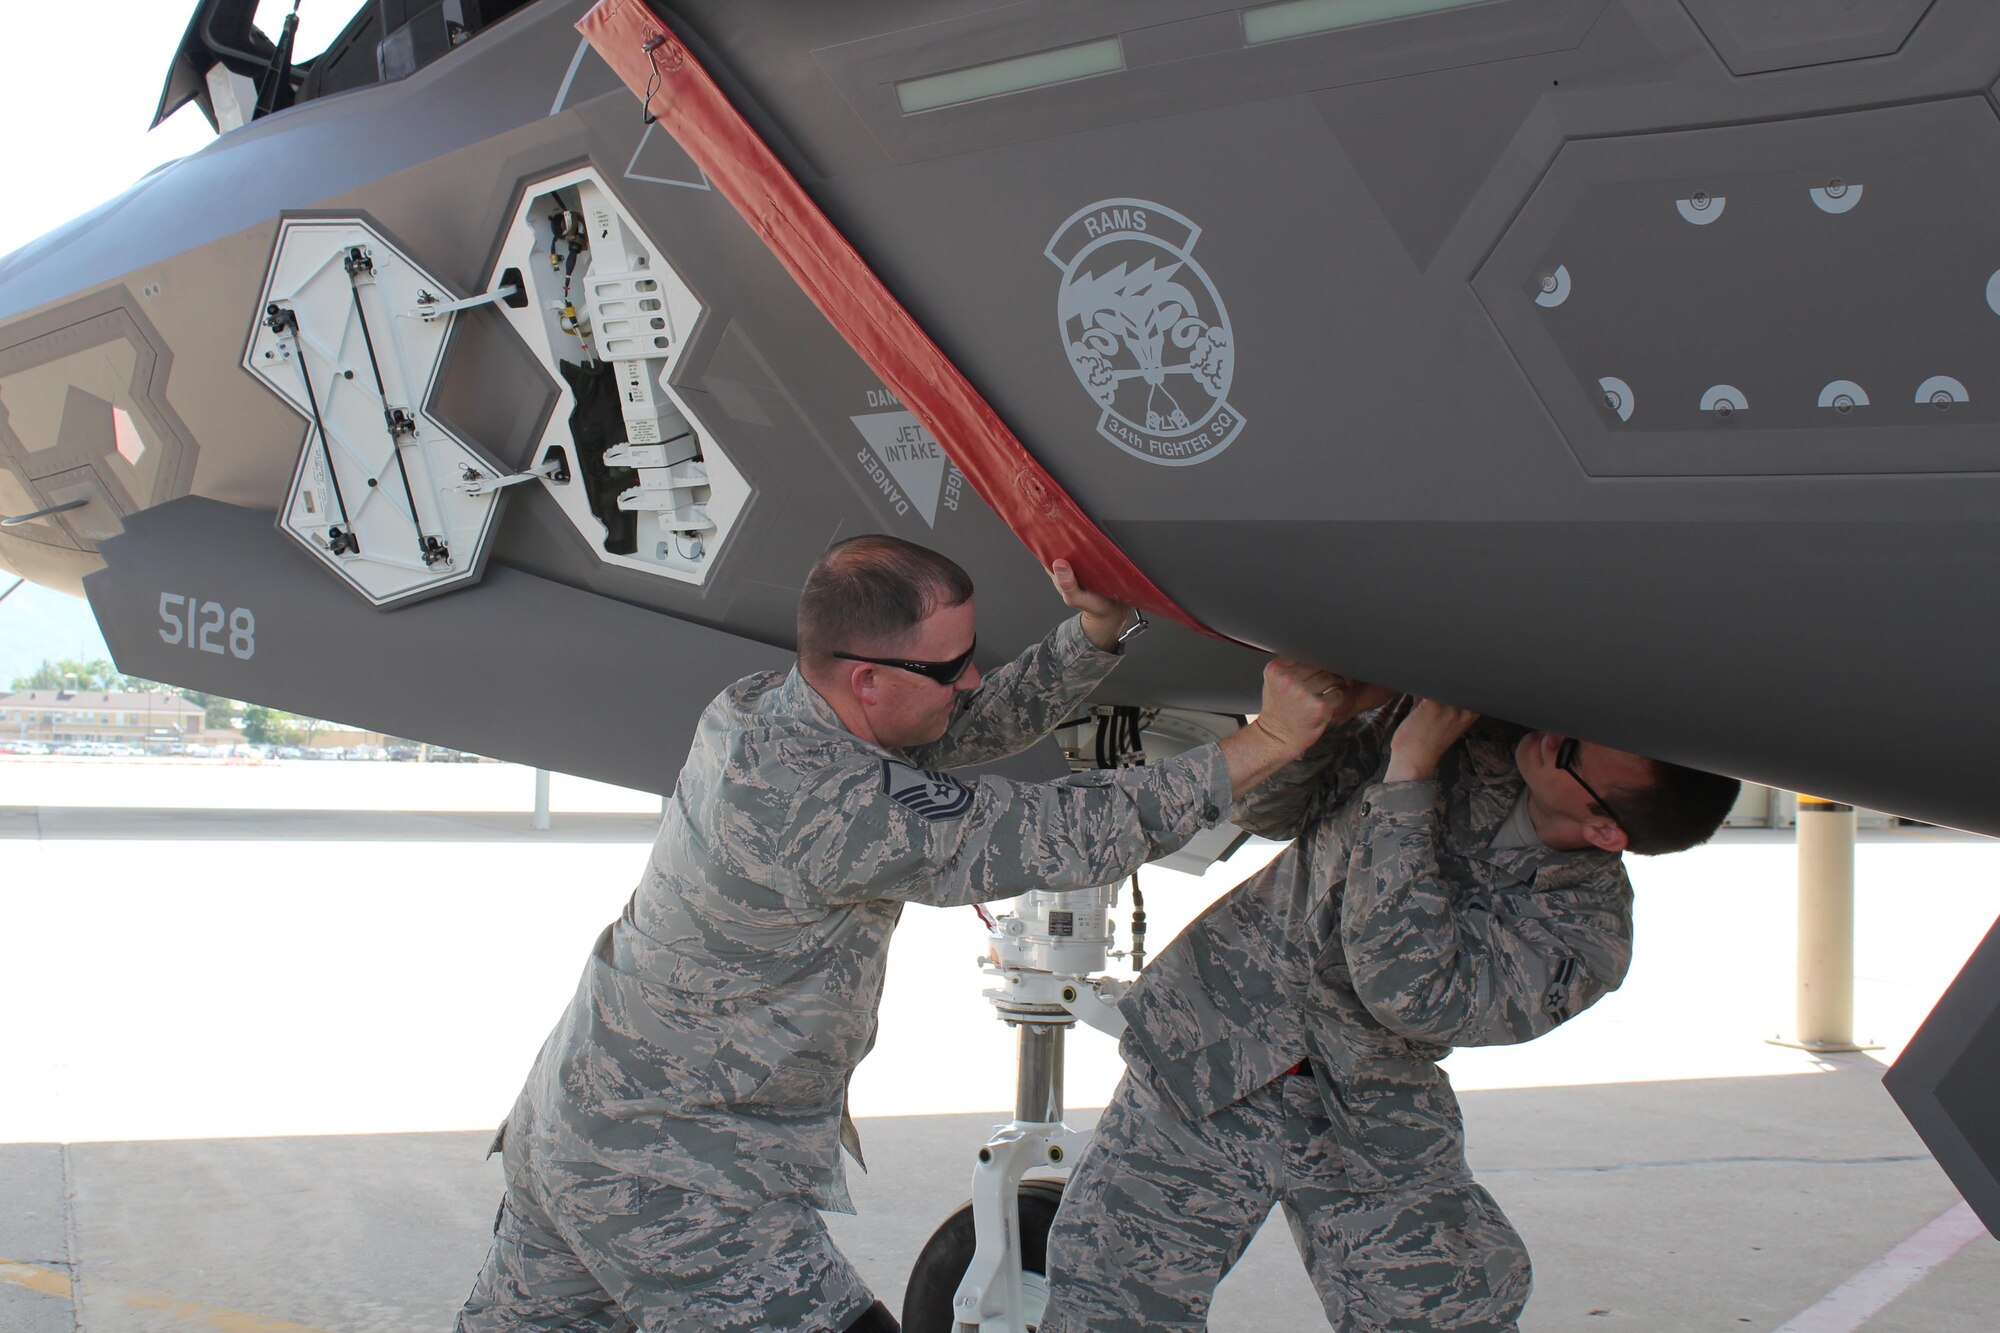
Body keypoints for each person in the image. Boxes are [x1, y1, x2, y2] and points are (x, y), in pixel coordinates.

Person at [456, 536, 1348, 1333]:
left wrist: (1094, 637)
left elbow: (965, 723)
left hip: (578, 1120)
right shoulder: (831, 804)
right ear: (868, 680)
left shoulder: (766, 704)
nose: (969, 680)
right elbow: (1053, 833)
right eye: (950, 665)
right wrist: (1268, 740)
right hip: (675, 1172)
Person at [1039, 673, 1742, 1333]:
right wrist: (1320, 720)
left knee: (1449, 1313)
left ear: (1606, 830)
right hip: (1211, 1047)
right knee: (1104, 1297)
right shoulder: (1473, 734)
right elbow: (1269, 808)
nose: (1553, 736)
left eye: (1574, 753)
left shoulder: (1585, 936)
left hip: (1364, 1108)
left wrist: (1411, 772)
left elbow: (1407, 990)